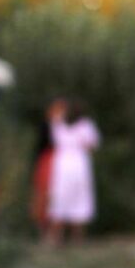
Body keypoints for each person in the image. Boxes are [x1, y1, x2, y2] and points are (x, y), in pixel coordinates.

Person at [47, 100, 100, 244]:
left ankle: (72, 238)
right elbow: (91, 146)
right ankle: (62, 238)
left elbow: (91, 145)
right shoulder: (61, 125)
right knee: (64, 199)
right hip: (70, 166)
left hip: (71, 165)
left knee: (74, 199)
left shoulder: (83, 126)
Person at [30, 99, 66, 239]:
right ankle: (44, 230)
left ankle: (57, 232)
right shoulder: (46, 127)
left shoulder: (65, 127)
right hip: (47, 162)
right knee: (44, 195)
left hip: (61, 163)